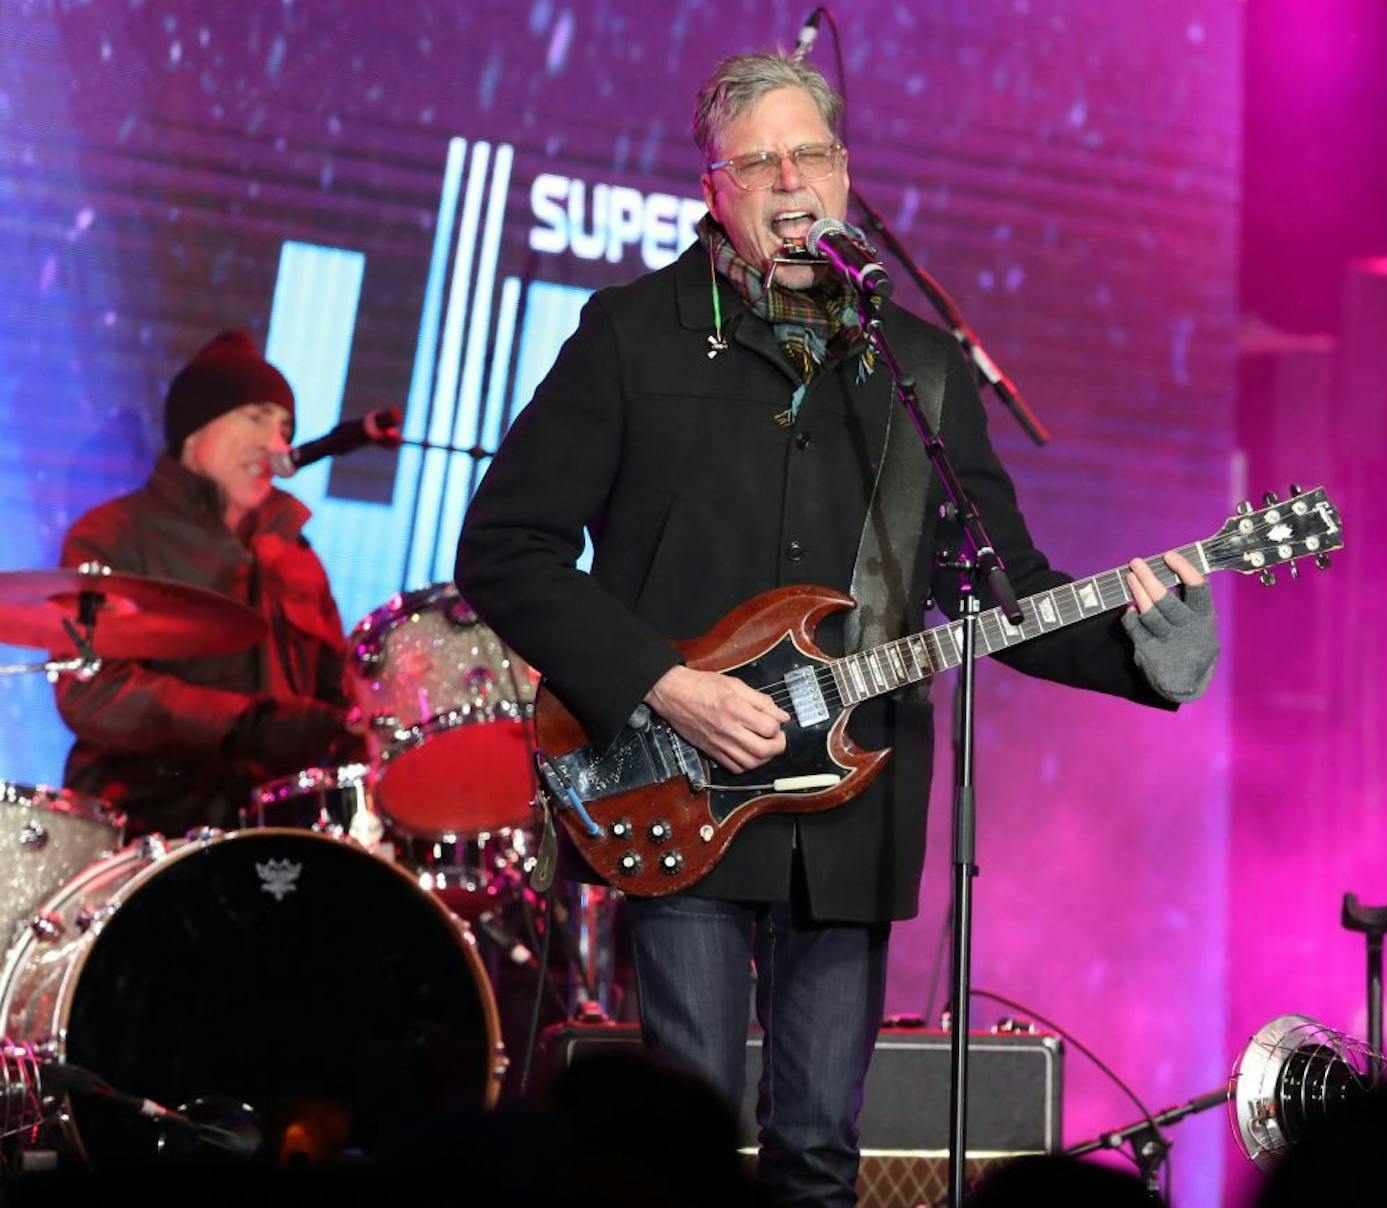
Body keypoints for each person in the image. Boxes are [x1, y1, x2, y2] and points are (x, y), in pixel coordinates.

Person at [455, 52, 1219, 1206]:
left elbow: (998, 588)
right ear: (712, 186)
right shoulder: (631, 334)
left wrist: (1144, 639)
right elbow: (503, 548)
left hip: (852, 813)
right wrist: (663, 682)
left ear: (846, 174)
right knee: (685, 1158)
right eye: (756, 161)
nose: (788, 181)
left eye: (808, 153)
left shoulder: (915, 366)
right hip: (677, 791)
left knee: (818, 1156)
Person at [56, 330, 357, 838]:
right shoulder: (113, 535)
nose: (277, 444)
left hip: (279, 838)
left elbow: (337, 695)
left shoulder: (299, 557)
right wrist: (246, 726)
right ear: (196, 431)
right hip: (145, 830)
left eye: (285, 427)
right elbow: (92, 694)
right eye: (255, 417)